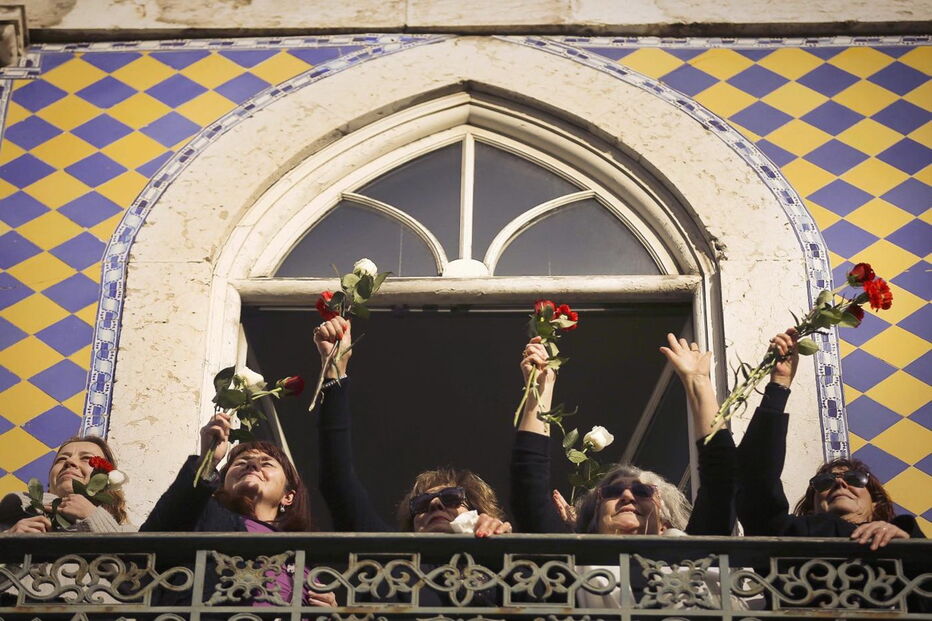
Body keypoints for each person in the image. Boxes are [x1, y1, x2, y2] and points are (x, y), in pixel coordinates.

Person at [511, 333, 735, 537]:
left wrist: (698, 382)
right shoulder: (572, 561)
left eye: (643, 491)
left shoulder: (691, 559)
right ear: (595, 519)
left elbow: (722, 481)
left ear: (664, 524)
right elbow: (529, 490)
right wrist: (540, 391)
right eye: (613, 491)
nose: (627, 496)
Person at [314, 316, 512, 537]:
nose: (435, 504)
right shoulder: (392, 560)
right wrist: (334, 371)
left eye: (451, 498)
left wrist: (499, 549)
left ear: (477, 514)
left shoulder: (499, 565)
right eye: (421, 504)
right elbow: (337, 482)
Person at [737, 328, 925, 546]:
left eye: (855, 479)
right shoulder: (793, 536)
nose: (840, 485)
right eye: (824, 483)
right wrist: (779, 384)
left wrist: (907, 545)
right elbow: (754, 484)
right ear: (811, 508)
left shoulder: (903, 538)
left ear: (875, 504)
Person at [140, 416, 336, 608]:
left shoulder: (302, 563)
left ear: (288, 497)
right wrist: (207, 461)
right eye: (241, 463)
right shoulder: (205, 514)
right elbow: (154, 537)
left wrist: (330, 612)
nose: (252, 465)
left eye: (266, 463)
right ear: (224, 484)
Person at [0, 435, 133, 533]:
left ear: (106, 478)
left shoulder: (130, 533)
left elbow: (130, 567)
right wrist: (8, 540)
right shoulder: (11, 520)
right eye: (61, 459)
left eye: (86, 458)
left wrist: (93, 516)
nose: (69, 461)